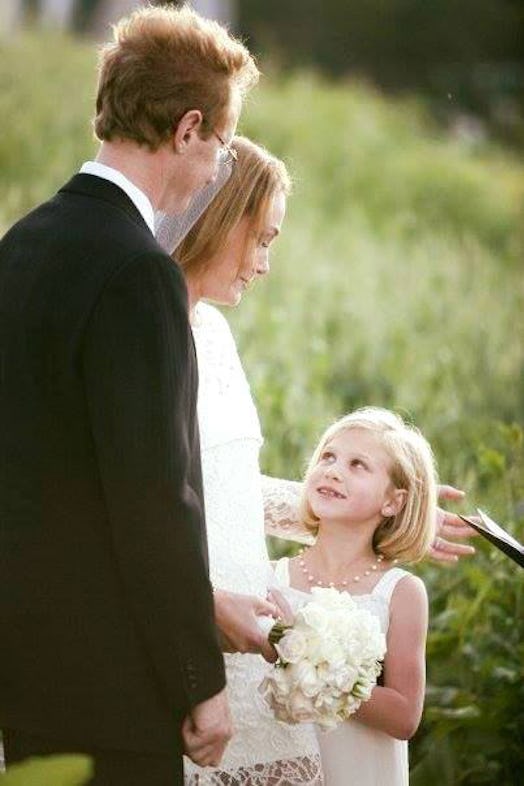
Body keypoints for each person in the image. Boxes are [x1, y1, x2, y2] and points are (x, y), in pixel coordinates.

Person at [162, 135, 475, 785]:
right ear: (222, 220)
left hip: (246, 643)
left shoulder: (215, 335)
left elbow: (224, 486)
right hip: (183, 622)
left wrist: (374, 516)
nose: (266, 264)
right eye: (265, 238)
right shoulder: (147, 329)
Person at [0, 6, 259, 785]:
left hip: (25, 667)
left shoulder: (21, 244)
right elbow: (153, 495)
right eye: (218, 142)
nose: (218, 166)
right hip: (108, 684)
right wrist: (198, 680)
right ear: (187, 129)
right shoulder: (138, 271)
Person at [273, 406, 438, 785]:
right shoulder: (273, 578)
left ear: (393, 502)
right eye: (327, 457)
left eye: (357, 465)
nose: (333, 470)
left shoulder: (400, 592)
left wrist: (307, 660)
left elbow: (404, 716)